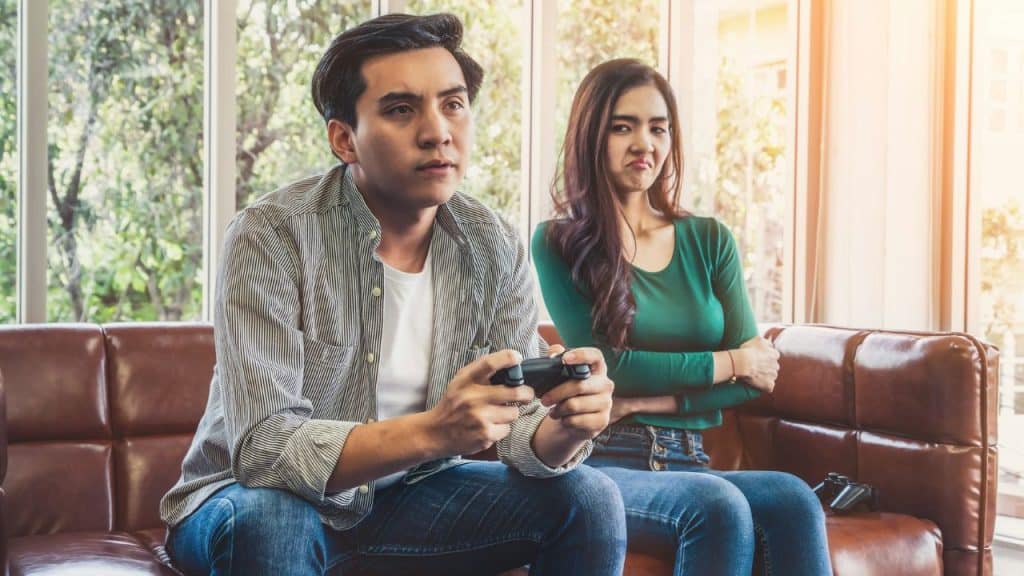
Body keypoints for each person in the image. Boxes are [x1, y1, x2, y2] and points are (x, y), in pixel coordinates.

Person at [161, 14, 627, 576]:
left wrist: (566, 426)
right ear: (343, 139)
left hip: (411, 498)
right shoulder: (273, 234)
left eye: (453, 104)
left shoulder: (492, 243)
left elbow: (523, 431)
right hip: (243, 499)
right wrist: (433, 431)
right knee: (274, 520)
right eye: (401, 109)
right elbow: (265, 448)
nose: (438, 131)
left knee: (590, 498)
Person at [532, 58, 832, 576]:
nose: (643, 143)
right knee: (716, 507)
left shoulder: (709, 240)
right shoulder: (559, 242)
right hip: (601, 462)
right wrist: (732, 359)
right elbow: (611, 366)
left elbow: (755, 381)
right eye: (622, 126)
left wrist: (649, 399)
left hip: (689, 459)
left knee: (792, 497)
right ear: (591, 137)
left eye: (658, 128)